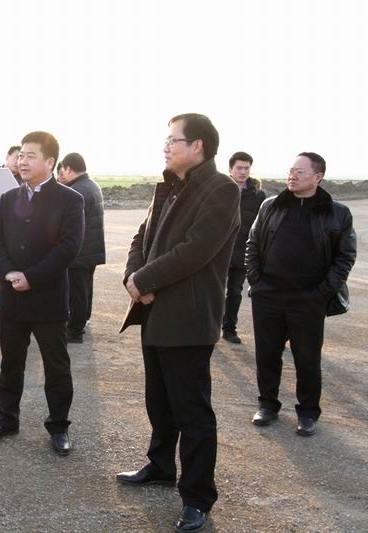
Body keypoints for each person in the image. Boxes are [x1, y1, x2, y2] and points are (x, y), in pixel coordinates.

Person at [116, 114, 240, 533]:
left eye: (173, 140)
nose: (166, 147)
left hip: (189, 318)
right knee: (160, 402)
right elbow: (141, 238)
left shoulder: (221, 189)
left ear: (198, 145)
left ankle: (197, 497)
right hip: (154, 313)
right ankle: (160, 466)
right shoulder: (169, 186)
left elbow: (196, 250)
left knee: (192, 412)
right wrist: (133, 278)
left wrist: (145, 280)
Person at [0, 131, 84, 456]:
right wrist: (9, 273)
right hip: (12, 297)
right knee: (10, 364)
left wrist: (31, 277)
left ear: (50, 162)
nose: (22, 161)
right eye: (20, 155)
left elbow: (69, 247)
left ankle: (59, 426)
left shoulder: (69, 199)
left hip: (48, 299)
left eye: (30, 156)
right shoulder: (8, 198)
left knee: (56, 367)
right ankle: (6, 419)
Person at [246, 152, 356, 437]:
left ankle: (307, 412)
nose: (292, 176)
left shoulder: (337, 212)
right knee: (267, 355)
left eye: (300, 172)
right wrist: (256, 280)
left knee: (307, 358)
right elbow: (253, 243)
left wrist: (322, 292)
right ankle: (267, 405)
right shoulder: (271, 205)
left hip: (308, 299)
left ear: (318, 177)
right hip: (268, 295)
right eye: (291, 170)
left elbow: (345, 256)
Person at [56, 152, 105, 343]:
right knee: (84, 289)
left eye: (62, 169)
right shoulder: (91, 185)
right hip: (91, 248)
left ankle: (75, 331)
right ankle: (82, 320)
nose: (61, 173)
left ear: (69, 168)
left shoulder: (77, 191)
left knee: (77, 293)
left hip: (80, 251)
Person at [221, 152, 266, 344]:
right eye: (239, 168)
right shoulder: (219, 190)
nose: (243, 172)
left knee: (235, 292)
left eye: (246, 168)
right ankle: (208, 329)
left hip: (242, 252)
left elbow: (261, 226)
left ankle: (229, 330)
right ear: (230, 169)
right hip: (218, 252)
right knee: (213, 292)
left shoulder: (258, 195)